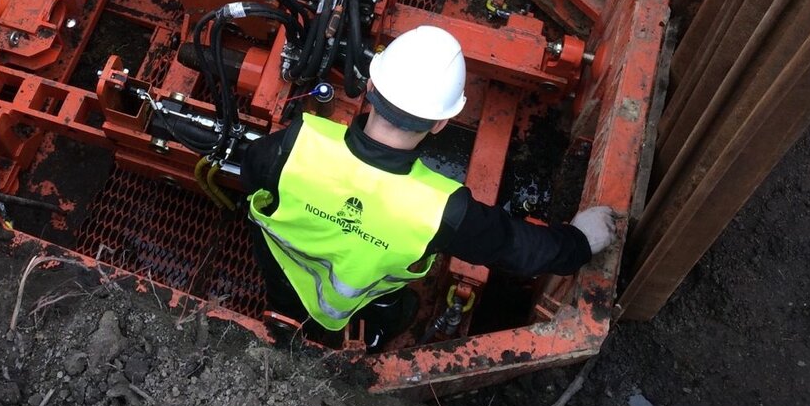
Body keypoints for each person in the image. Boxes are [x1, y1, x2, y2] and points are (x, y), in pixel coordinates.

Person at [241, 24, 617, 347]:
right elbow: (514, 247)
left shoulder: (295, 144)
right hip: (359, 307)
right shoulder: (441, 210)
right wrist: (579, 243)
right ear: (441, 123)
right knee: (400, 310)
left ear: (370, 87)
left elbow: (249, 173)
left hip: (279, 275)